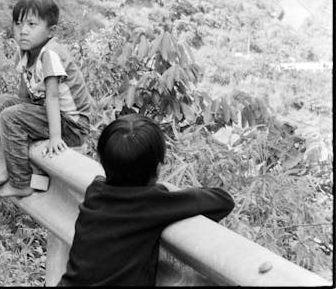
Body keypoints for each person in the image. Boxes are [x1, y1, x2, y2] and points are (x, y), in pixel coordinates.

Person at [59, 114, 235, 286]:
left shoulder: (95, 191)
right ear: (158, 168)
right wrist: (169, 190)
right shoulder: (154, 202)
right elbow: (223, 201)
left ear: (101, 161)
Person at [0, 0, 92, 198]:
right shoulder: (25, 51)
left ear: (51, 31)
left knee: (10, 117)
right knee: (2, 104)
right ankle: (14, 165)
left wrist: (54, 138)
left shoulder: (50, 54)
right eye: (18, 24)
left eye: (32, 24)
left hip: (71, 126)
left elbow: (52, 97)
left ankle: (21, 182)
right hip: (50, 114)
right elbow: (24, 91)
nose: (23, 31)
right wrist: (21, 112)